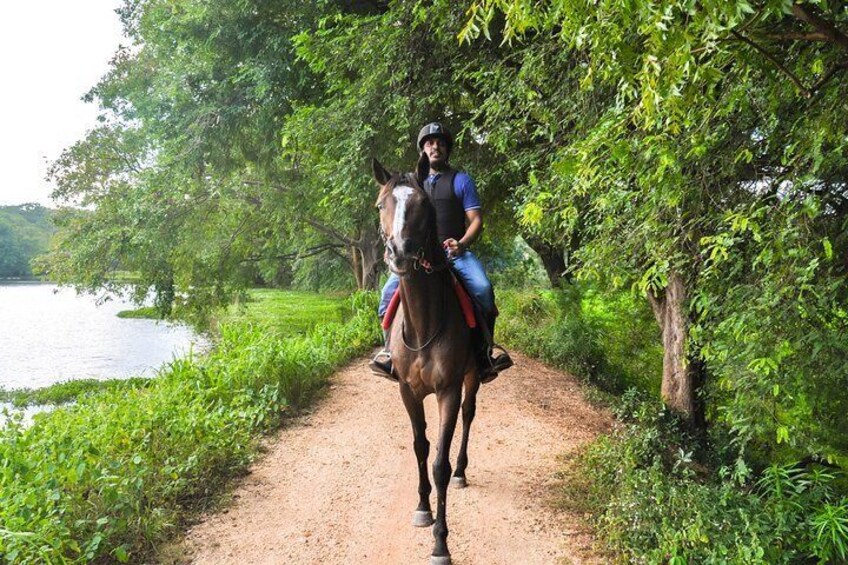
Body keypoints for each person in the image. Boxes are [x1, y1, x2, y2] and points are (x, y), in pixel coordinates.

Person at [370, 122, 513, 382]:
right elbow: (395, 217)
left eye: (440, 143)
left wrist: (463, 243)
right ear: (422, 150)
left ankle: (484, 356)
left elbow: (476, 219)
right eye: (429, 143)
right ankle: (390, 354)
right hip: (416, 255)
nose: (435, 147)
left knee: (483, 290)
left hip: (454, 253)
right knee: (385, 298)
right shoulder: (412, 183)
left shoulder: (461, 180)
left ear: (447, 150)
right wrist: (392, 248)